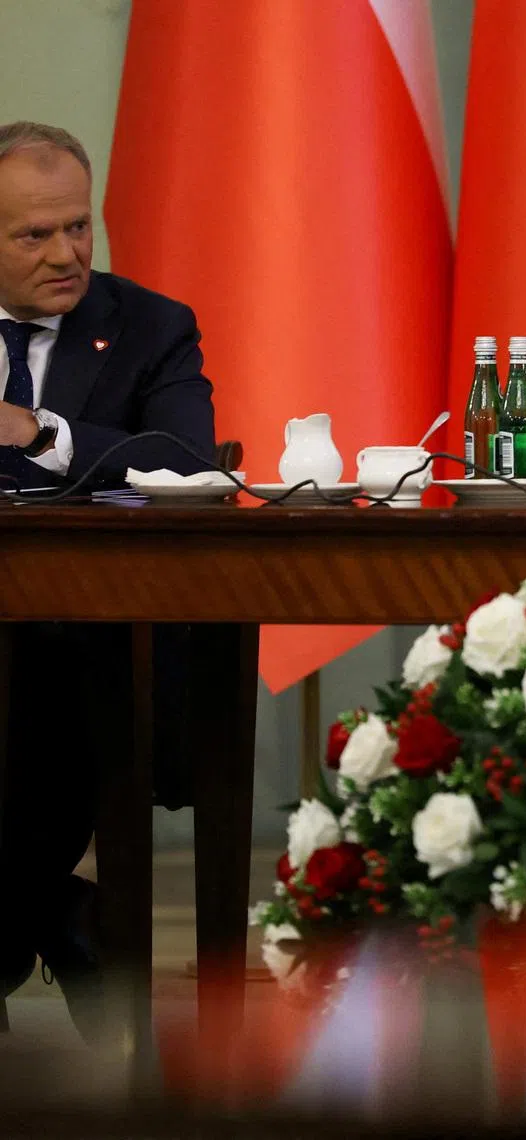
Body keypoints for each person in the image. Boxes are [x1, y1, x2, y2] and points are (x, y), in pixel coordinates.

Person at [0, 121, 216, 1039]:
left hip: (82, 642)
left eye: (78, 227)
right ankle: (53, 911)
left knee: (38, 701)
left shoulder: (149, 327)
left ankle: (31, 919)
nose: (66, 254)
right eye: (33, 235)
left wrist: (38, 434)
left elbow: (184, 461)